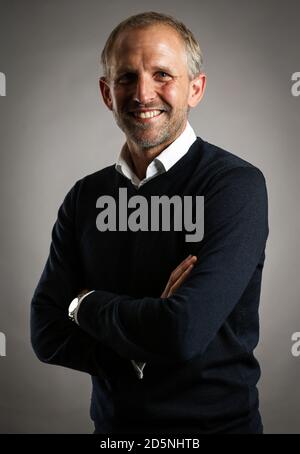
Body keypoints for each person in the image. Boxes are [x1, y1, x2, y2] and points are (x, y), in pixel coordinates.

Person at [31, 11, 269, 434]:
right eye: (126, 78)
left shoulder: (234, 186)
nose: (143, 93)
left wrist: (84, 304)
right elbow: (45, 332)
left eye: (162, 74)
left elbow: (183, 330)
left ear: (195, 88)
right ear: (107, 93)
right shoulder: (86, 197)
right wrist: (142, 345)